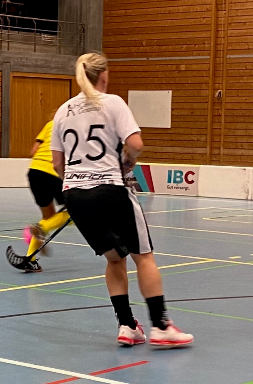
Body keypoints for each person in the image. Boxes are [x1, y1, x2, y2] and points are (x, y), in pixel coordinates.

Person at [51, 52, 193, 348]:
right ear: (103, 75)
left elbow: (57, 164)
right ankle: (161, 326)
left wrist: (79, 182)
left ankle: (127, 325)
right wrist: (127, 162)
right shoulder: (112, 102)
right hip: (111, 191)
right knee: (144, 256)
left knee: (114, 259)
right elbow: (135, 143)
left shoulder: (63, 111)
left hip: (75, 196)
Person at [20, 117, 73, 273]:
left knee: (49, 217)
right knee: (76, 213)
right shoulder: (77, 125)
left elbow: (33, 151)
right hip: (55, 173)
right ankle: (41, 228)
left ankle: (30, 260)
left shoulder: (50, 124)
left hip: (35, 172)